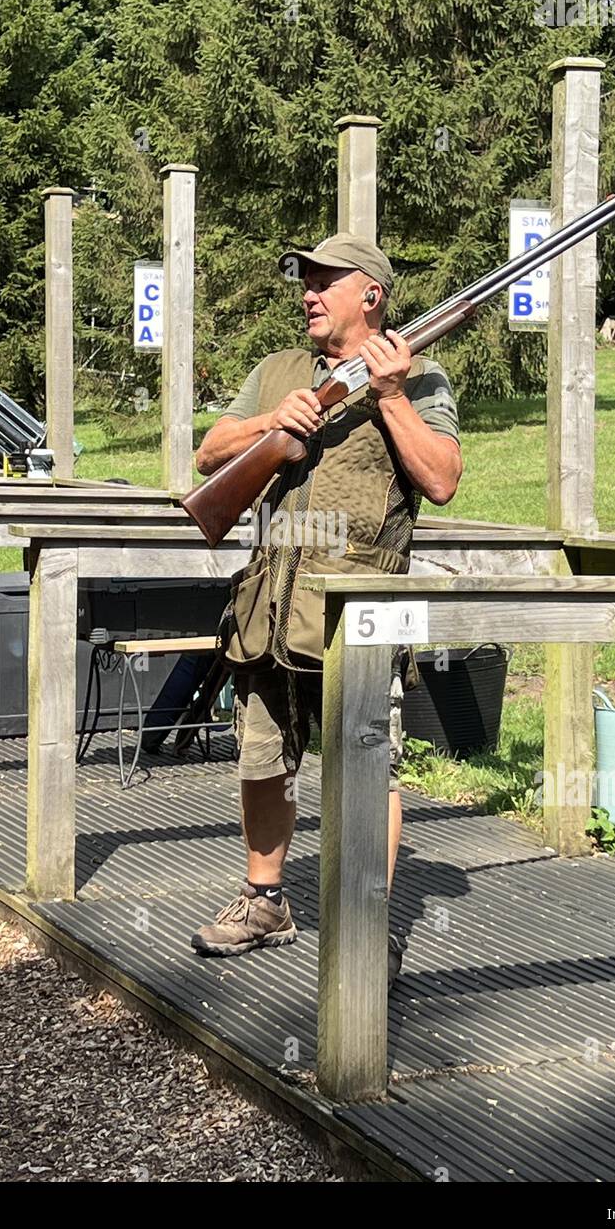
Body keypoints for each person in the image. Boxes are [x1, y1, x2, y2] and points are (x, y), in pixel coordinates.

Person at [190, 233, 462, 986]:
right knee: (260, 758)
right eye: (304, 281)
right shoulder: (279, 371)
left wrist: (390, 396)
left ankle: (366, 922)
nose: (307, 292)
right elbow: (208, 456)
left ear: (370, 294)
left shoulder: (420, 375)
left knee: (370, 765)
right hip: (270, 602)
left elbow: (440, 480)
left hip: (358, 609)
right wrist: (271, 422)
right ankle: (264, 899)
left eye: (323, 281)